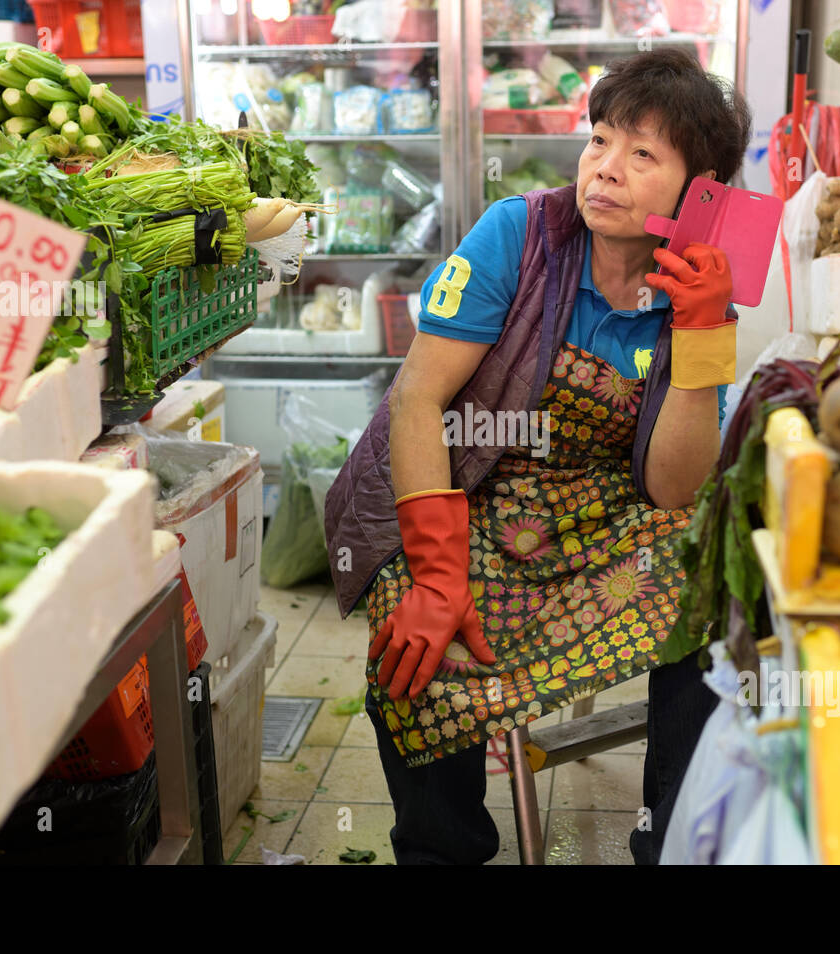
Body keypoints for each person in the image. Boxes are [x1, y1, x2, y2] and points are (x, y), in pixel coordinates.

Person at [323, 48, 752, 864]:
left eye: (642, 154)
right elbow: (417, 402)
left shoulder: (701, 289)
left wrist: (702, 341)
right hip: (469, 490)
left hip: (611, 511)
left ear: (703, 194)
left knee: (713, 605)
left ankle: (670, 842)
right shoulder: (518, 236)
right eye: (599, 142)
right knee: (416, 656)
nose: (605, 170)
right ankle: (442, 851)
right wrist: (440, 570)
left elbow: (671, 490)